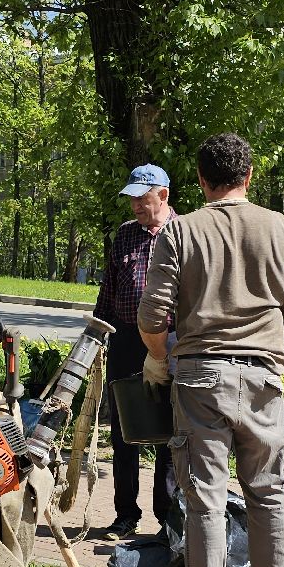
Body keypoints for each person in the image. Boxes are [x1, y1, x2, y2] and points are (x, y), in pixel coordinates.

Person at [136, 133, 284, 567]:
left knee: (205, 500)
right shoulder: (282, 229)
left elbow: (153, 315)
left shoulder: (181, 232)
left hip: (201, 381)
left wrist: (157, 356)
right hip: (265, 379)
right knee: (268, 491)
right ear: (249, 175)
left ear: (199, 179)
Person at [92, 164, 177, 540]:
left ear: (163, 195)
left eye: (142, 199)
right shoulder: (125, 236)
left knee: (170, 428)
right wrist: (98, 330)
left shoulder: (185, 233)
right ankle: (126, 514)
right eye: (132, 200)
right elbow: (108, 288)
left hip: (171, 339)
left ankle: (167, 514)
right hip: (125, 338)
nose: (136, 207)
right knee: (125, 430)